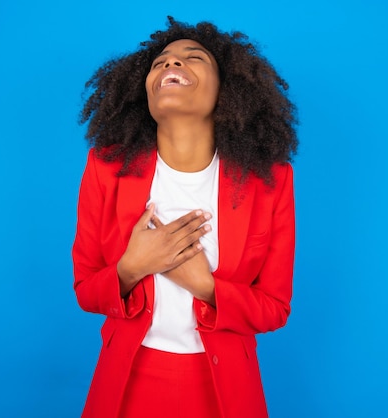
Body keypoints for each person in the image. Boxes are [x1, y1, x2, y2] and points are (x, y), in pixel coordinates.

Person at [72, 16, 298, 418]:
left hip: (225, 390)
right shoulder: (105, 168)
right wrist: (132, 267)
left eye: (193, 58)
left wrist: (205, 286)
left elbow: (275, 307)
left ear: (228, 92)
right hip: (125, 383)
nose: (170, 65)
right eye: (161, 62)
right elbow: (87, 290)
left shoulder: (270, 182)